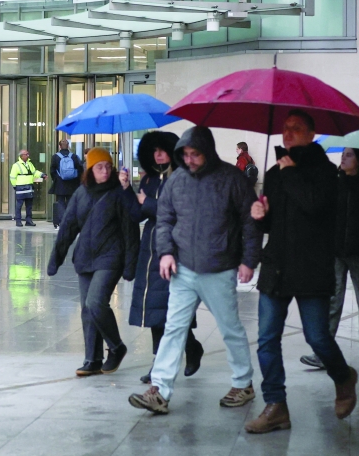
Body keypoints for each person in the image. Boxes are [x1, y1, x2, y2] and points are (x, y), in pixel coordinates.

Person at [128, 126, 259, 415]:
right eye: (185, 155)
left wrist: (249, 260)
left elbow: (251, 222)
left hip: (220, 267)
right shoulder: (177, 182)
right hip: (183, 269)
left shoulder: (232, 179)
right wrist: (165, 254)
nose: (189, 160)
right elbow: (164, 220)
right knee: (173, 328)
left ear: (208, 152)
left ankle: (243, 383)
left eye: (195, 154)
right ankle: (159, 390)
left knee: (230, 329)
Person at [246, 110, 358, 434]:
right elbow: (274, 221)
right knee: (267, 339)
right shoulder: (275, 171)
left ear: (311, 134)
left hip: (311, 267)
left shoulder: (325, 171)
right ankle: (275, 405)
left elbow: (313, 205)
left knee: (317, 337)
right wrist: (260, 214)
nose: (288, 134)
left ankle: (342, 376)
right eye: (285, 128)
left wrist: (292, 173)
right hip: (277, 265)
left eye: (296, 129)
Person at [48, 147, 139, 376]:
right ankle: (93, 360)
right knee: (87, 311)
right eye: (100, 167)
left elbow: (130, 230)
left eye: (108, 166)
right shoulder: (81, 193)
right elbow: (68, 227)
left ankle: (116, 347)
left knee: (96, 303)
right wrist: (56, 258)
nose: (105, 171)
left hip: (110, 257)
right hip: (85, 257)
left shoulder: (119, 193)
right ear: (90, 169)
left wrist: (130, 264)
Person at [128, 131, 204, 384]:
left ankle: (188, 349)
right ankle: (163, 360)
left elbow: (177, 212)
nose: (158, 154)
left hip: (174, 249)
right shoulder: (149, 179)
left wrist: (146, 201)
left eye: (162, 150)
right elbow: (138, 214)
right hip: (150, 250)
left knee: (173, 309)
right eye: (154, 150)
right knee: (154, 310)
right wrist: (128, 190)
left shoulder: (183, 178)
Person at [301, 147, 359, 370]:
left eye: (349, 155)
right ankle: (323, 352)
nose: (343, 158)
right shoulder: (336, 182)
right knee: (332, 300)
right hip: (336, 252)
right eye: (343, 155)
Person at [49, 139, 82, 228]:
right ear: (68, 146)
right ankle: (70, 221)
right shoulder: (74, 156)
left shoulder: (55, 157)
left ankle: (61, 222)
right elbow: (79, 170)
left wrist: (56, 179)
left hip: (60, 184)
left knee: (60, 202)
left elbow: (52, 170)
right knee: (71, 203)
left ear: (59, 146)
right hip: (72, 184)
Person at [9, 149, 44, 226]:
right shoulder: (16, 165)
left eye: (28, 154)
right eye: (26, 154)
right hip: (20, 188)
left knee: (29, 206)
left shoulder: (29, 164)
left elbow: (34, 172)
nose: (28, 155)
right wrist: (15, 186)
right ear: (21, 156)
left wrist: (42, 175)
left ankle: (29, 220)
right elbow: (12, 177)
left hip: (29, 188)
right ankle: (18, 221)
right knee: (19, 205)